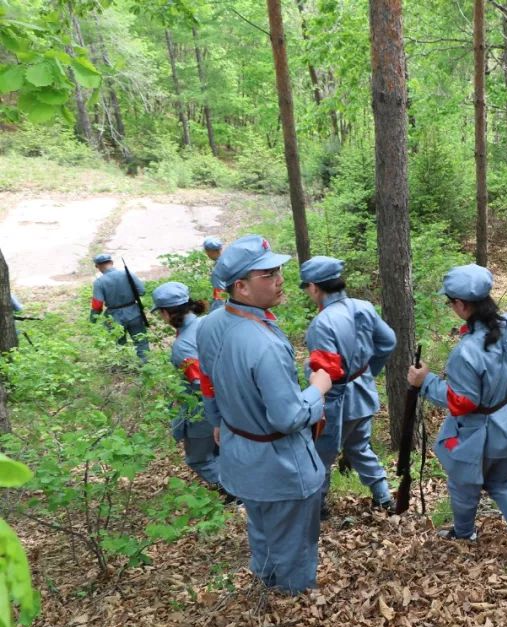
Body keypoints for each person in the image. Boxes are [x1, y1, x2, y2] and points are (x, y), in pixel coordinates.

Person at [196, 235, 332, 594]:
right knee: (296, 543)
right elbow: (287, 417)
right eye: (267, 274)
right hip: (281, 465)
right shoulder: (264, 343)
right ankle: (293, 602)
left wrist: (218, 424)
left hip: (241, 455)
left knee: (261, 526)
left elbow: (208, 383)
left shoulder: (210, 323)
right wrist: (319, 387)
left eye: (278, 270)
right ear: (240, 286)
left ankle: (266, 586)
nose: (280, 279)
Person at [407, 264, 507, 541]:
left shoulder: (466, 351)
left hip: (482, 435)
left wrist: (424, 382)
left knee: (463, 486)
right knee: (500, 481)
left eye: (451, 302)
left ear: (462, 305)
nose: (451, 306)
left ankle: (464, 535)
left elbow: (462, 402)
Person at [299, 256, 397, 517]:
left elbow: (327, 372)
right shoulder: (363, 306)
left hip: (335, 403)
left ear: (315, 287)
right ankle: (383, 496)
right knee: (358, 447)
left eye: (307, 288)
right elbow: (387, 342)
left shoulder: (321, 324)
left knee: (320, 457)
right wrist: (366, 373)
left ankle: (317, 510)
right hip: (364, 395)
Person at [150, 281, 232, 500]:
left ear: (166, 313)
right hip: (231, 400)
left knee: (199, 458)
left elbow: (201, 384)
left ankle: (234, 492)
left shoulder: (183, 346)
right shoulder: (210, 322)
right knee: (221, 450)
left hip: (205, 410)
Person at [90, 253, 148, 361]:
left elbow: (97, 305)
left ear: (97, 266)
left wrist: (92, 320)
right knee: (141, 342)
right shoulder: (127, 274)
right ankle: (146, 366)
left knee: (120, 344)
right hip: (134, 313)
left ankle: (124, 368)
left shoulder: (99, 282)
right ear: (111, 262)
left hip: (114, 317)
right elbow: (142, 291)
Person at [203, 237, 227, 312]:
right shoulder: (228, 260)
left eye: (206, 251)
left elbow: (221, 294)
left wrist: (214, 311)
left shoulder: (218, 270)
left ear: (210, 251)